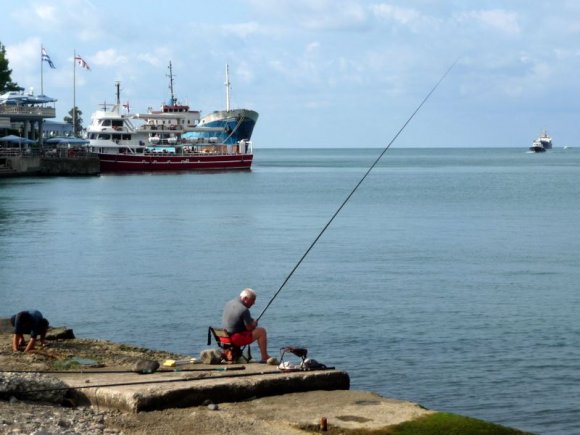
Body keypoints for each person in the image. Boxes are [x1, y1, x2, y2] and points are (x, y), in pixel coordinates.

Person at [223, 288, 277, 364]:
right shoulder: (244, 309)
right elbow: (249, 328)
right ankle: (264, 357)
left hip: (225, 337)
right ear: (245, 298)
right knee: (261, 331)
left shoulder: (229, 303)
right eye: (252, 300)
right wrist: (254, 324)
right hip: (235, 338)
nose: (254, 303)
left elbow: (238, 319)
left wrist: (251, 322)